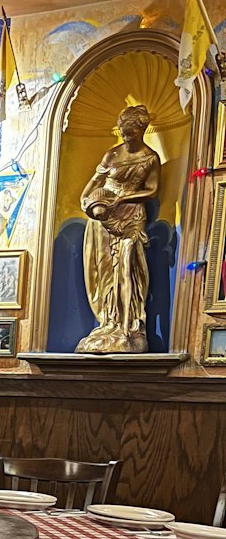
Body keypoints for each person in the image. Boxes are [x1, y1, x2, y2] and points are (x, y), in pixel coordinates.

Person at [76, 103, 161, 354]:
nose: (126, 138)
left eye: (130, 134)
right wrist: (86, 201)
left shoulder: (150, 158)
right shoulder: (112, 155)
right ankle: (108, 322)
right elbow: (93, 184)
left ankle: (129, 326)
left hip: (131, 217)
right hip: (103, 217)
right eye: (122, 133)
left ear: (141, 130)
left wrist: (123, 199)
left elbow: (153, 190)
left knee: (127, 269)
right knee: (104, 270)